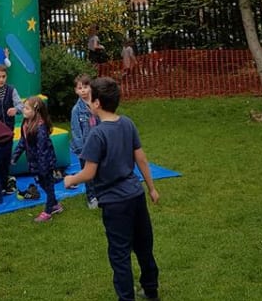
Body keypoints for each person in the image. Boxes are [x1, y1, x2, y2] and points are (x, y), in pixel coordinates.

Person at [64, 77, 160, 301]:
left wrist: (70, 179)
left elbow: (89, 173)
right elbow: (141, 159)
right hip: (136, 196)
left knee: (120, 253)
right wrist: (152, 188)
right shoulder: (127, 123)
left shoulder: (97, 134)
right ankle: (151, 290)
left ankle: (127, 297)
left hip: (115, 203)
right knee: (144, 246)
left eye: (90, 98)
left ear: (97, 103)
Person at [12, 96, 62, 222]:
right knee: (43, 184)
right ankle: (55, 204)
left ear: (36, 112)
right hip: (35, 162)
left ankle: (48, 212)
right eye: (24, 107)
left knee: (48, 186)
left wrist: (43, 169)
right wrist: (15, 156)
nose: (23, 110)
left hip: (44, 162)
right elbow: (23, 141)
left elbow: (42, 150)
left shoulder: (40, 128)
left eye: (27, 108)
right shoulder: (26, 123)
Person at [70, 73, 99, 208]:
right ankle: (91, 197)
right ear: (76, 91)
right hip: (86, 148)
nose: (83, 91)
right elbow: (76, 132)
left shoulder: (97, 104)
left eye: (85, 87)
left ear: (91, 87)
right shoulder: (76, 110)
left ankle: (102, 192)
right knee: (88, 173)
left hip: (99, 144)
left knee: (101, 170)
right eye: (80, 88)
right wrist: (82, 151)